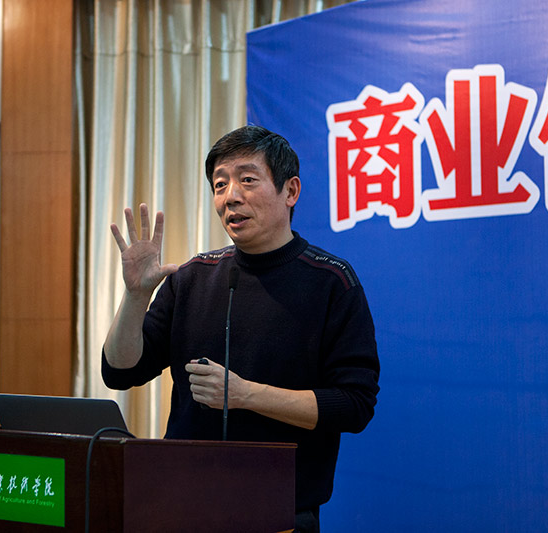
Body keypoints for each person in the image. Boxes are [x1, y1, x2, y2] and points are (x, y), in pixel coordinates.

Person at [102, 125, 380, 532]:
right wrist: (135, 296)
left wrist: (246, 394)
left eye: (247, 180)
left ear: (290, 191)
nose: (230, 196)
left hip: (279, 513)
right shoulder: (193, 277)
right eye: (220, 185)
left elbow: (354, 404)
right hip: (181, 504)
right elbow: (120, 371)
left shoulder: (332, 282)